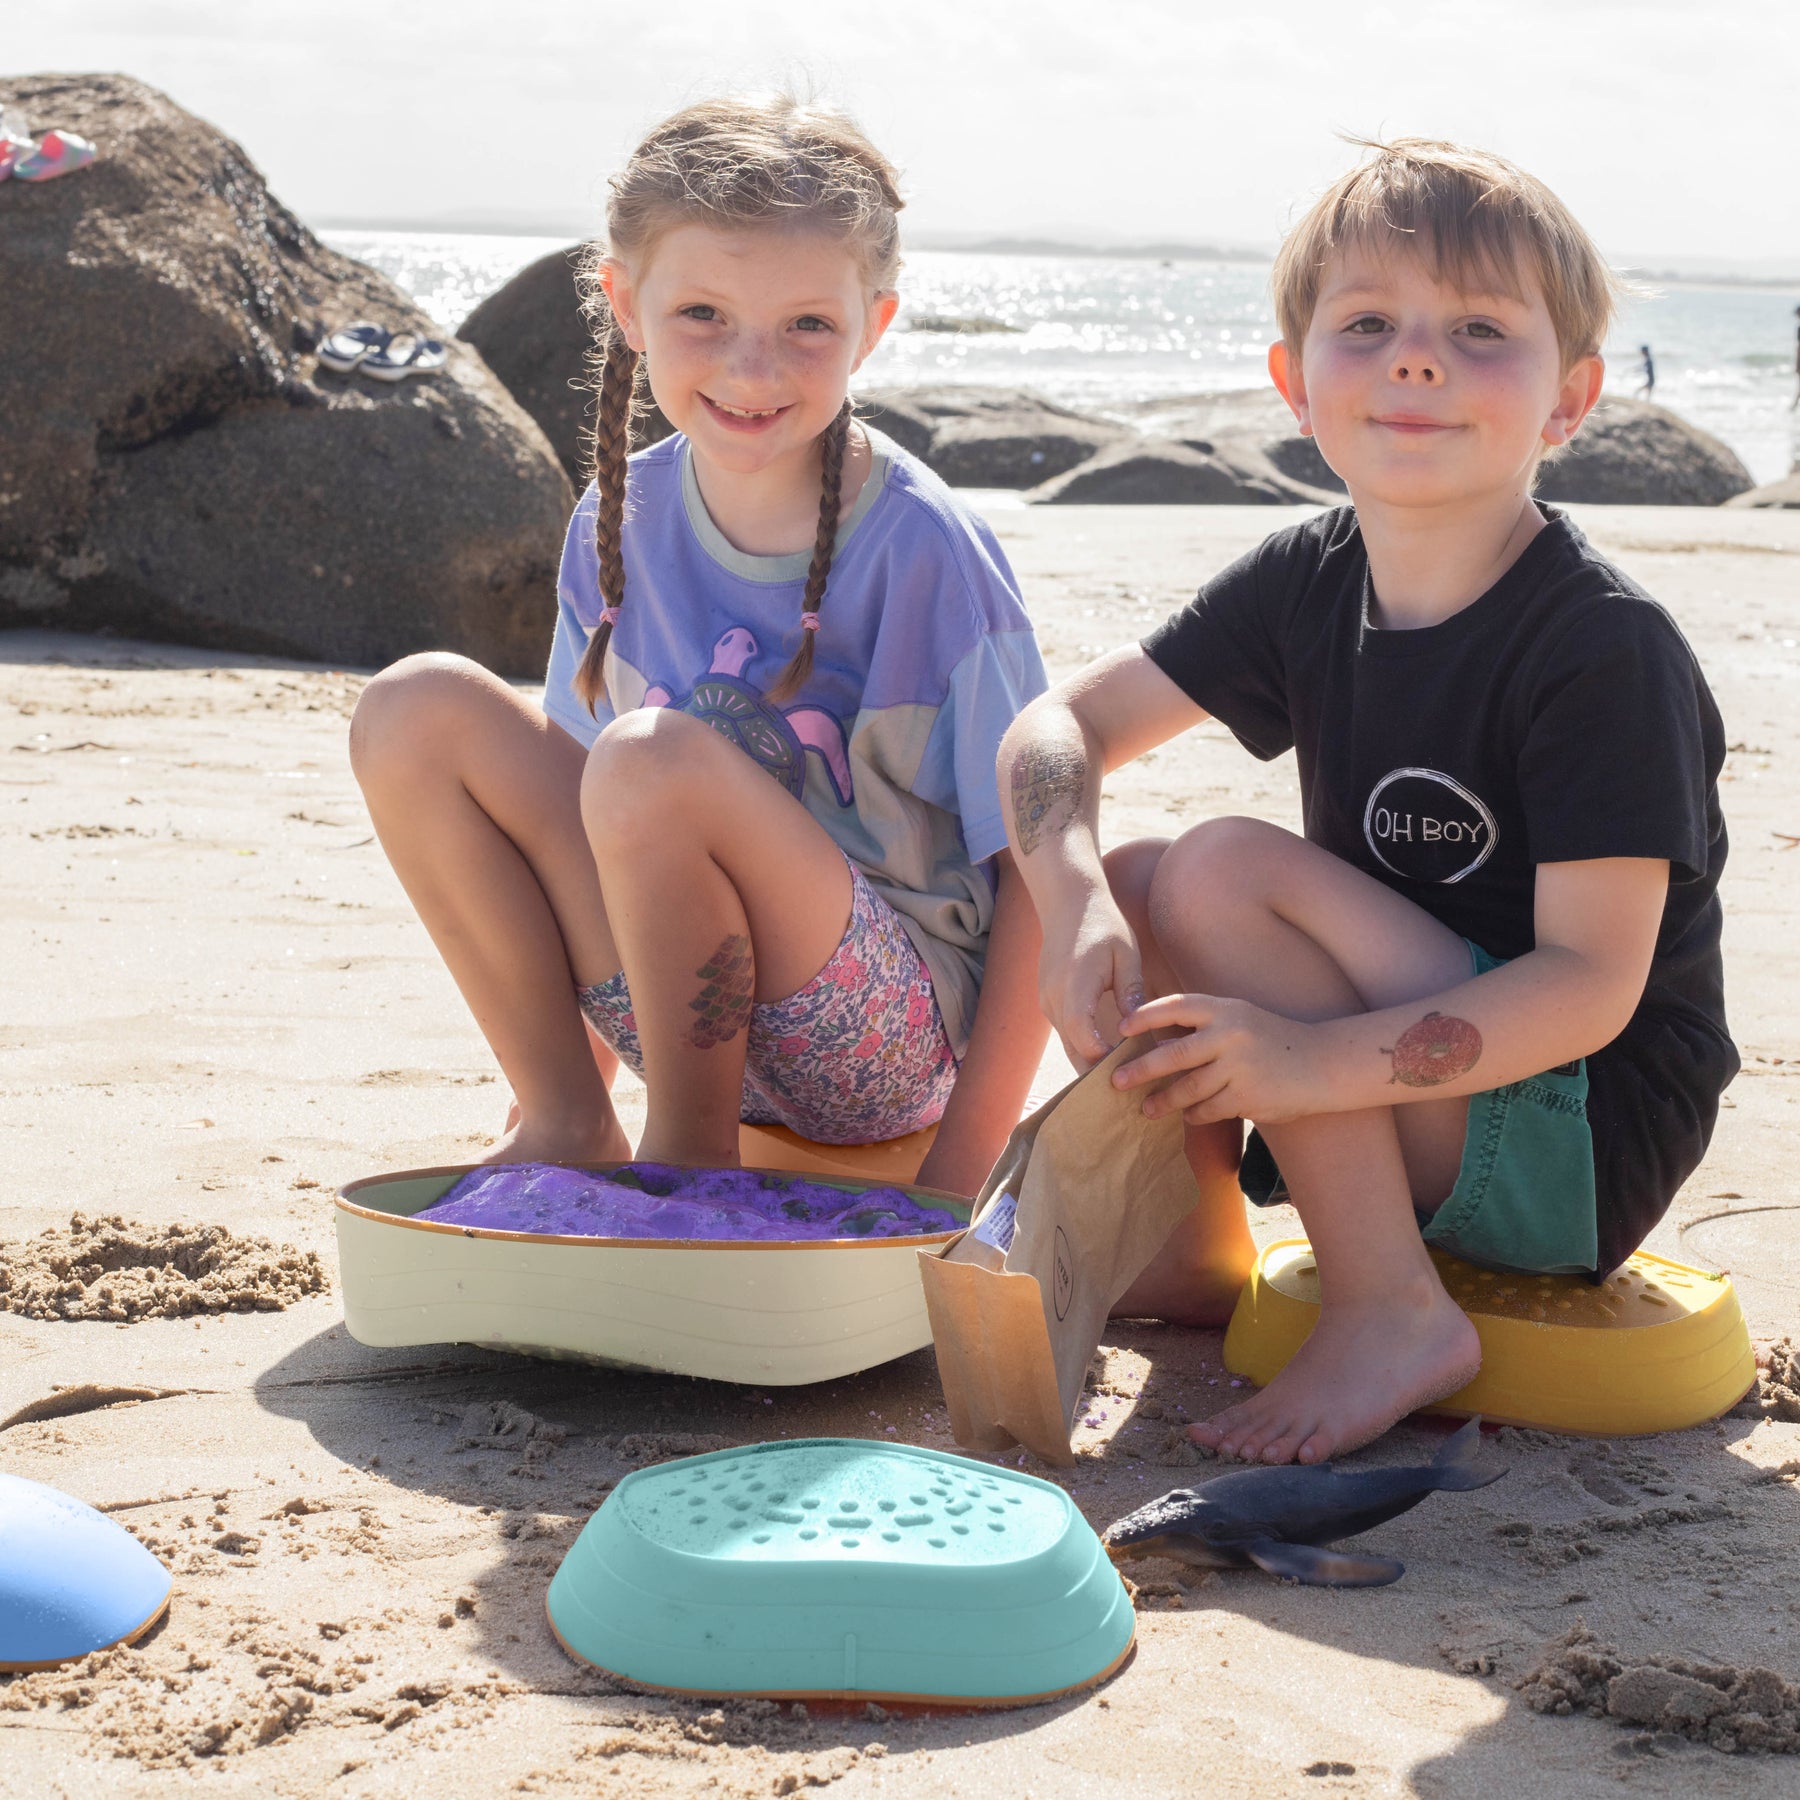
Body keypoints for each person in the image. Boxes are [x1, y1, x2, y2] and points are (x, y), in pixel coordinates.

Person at [998, 138, 1734, 1466]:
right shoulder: (1307, 578)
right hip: (1426, 1083)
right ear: (1294, 383)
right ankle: (1195, 1243)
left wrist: (1306, 1065)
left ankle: (1394, 1308)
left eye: (1477, 330)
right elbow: (1057, 729)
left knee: (1219, 867)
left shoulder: (1601, 648)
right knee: (1154, 871)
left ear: (1571, 399)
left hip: (1583, 1128)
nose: (1416, 358)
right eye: (1371, 324)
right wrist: (1076, 904)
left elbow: (1588, 987)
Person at [350, 97, 1049, 1196]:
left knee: (649, 758)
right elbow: (583, 817)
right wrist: (565, 1068)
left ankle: (688, 1161)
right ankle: (568, 1121)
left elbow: (1040, 878)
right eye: (704, 314)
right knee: (413, 708)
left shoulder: (928, 550)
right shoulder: (621, 516)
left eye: (808, 326)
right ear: (625, 304)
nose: (752, 367)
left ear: (877, 321)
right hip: (662, 994)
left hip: (873, 1043)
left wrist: (960, 1170)